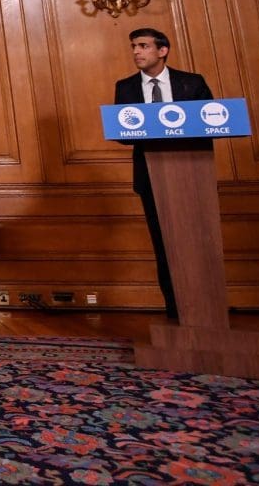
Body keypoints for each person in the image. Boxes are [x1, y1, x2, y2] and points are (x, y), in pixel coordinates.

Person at [114, 26, 213, 320]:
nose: (136, 52)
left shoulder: (192, 83)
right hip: (151, 177)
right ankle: (175, 309)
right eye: (134, 46)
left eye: (143, 46)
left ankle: (207, 308)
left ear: (162, 50)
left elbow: (210, 120)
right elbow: (123, 132)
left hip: (193, 174)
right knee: (163, 243)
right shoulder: (126, 87)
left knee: (200, 242)